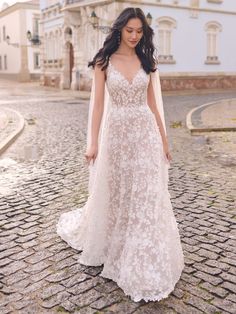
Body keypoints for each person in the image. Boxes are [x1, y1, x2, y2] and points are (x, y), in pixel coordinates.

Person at [56, 7, 185, 303]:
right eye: (130, 31)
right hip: (116, 134)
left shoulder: (146, 60)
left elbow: (153, 104)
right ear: (119, 30)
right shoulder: (104, 61)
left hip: (144, 133)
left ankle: (142, 246)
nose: (134, 36)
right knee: (116, 189)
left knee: (144, 191)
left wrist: (164, 140)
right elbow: (99, 105)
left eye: (139, 31)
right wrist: (93, 142)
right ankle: (115, 238)